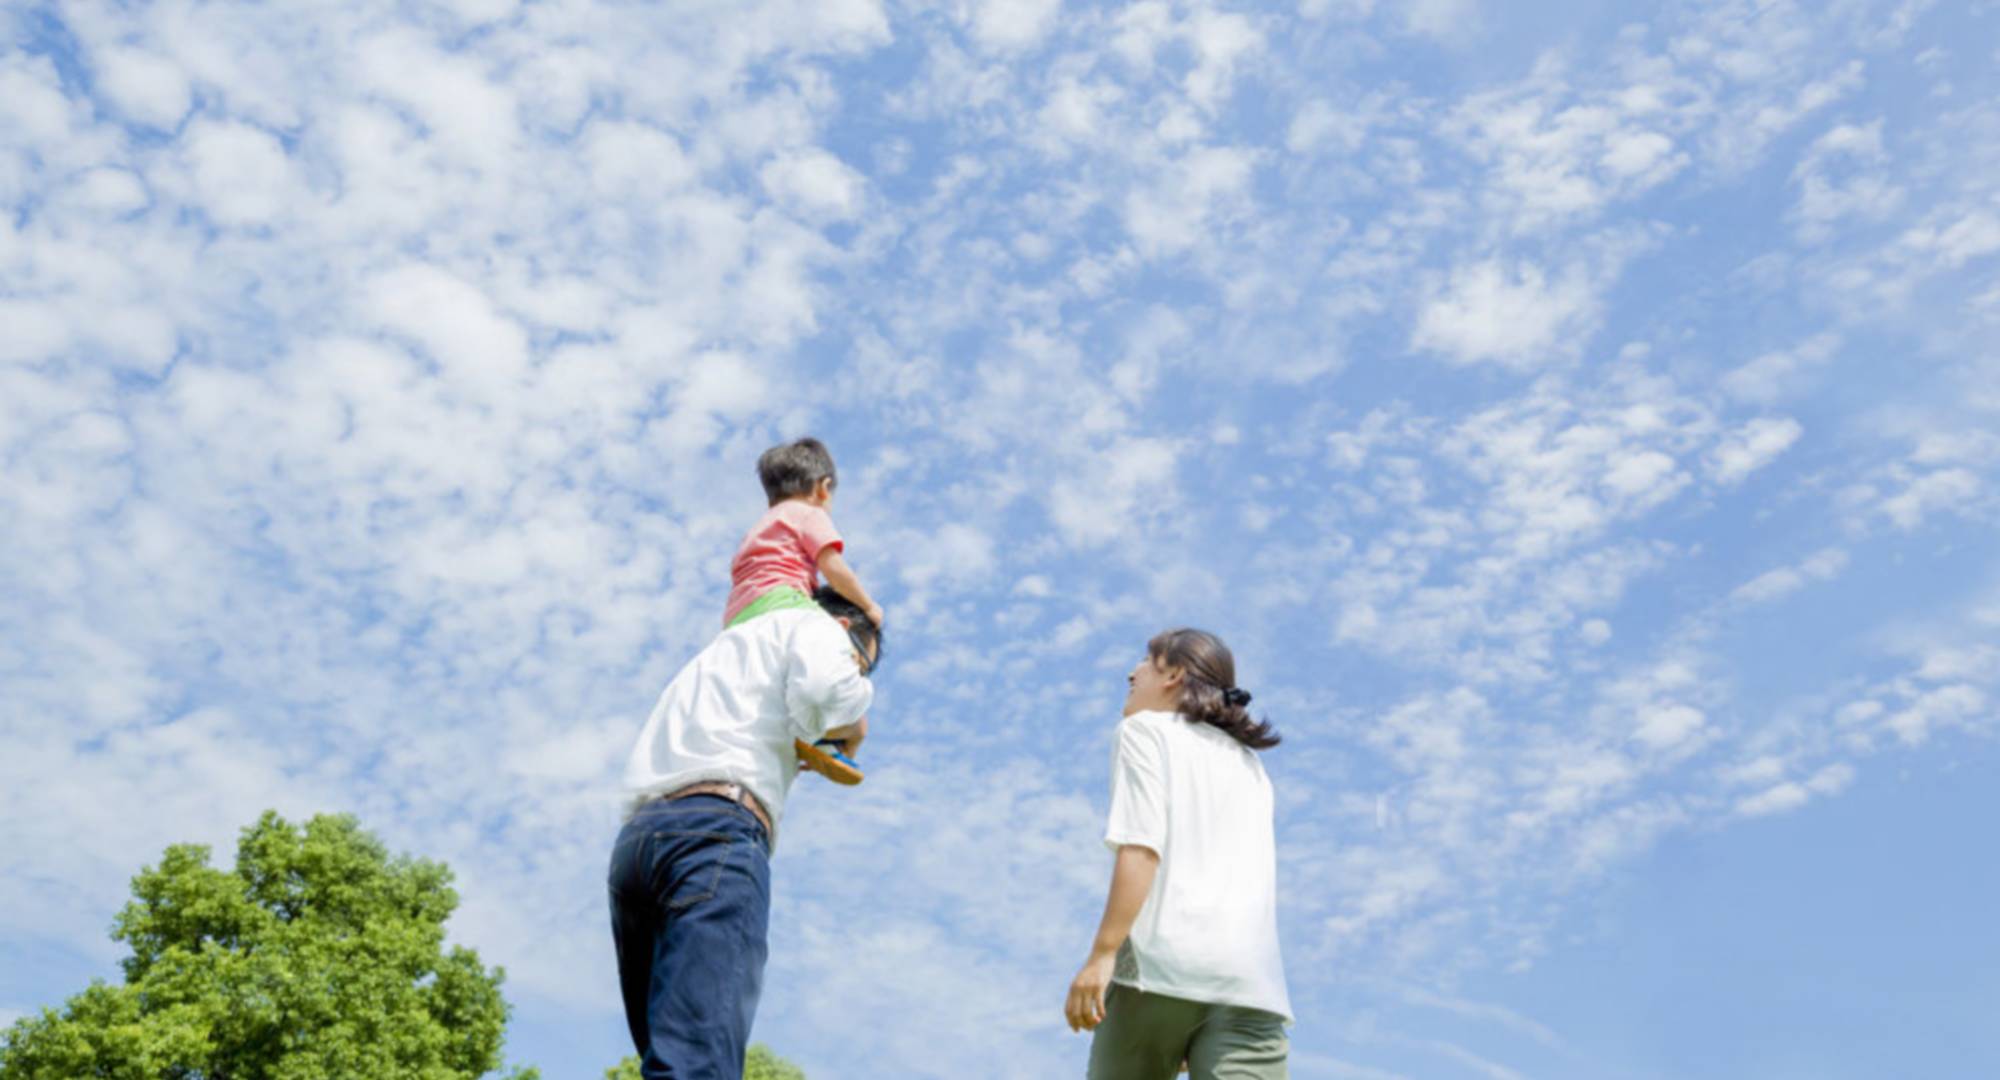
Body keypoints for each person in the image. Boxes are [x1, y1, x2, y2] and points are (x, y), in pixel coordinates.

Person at [609, 586, 879, 1079]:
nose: (857, 672)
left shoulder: (723, 650)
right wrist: (856, 710)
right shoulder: (817, 627)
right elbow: (823, 690)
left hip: (637, 846)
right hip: (715, 835)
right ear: (843, 630)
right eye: (861, 662)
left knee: (668, 1056)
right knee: (696, 1063)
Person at [1065, 628, 1293, 1080]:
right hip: (1249, 986)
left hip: (1157, 975)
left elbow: (1141, 848)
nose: (1133, 672)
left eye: (1146, 662)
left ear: (1174, 674)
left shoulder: (1144, 732)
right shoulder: (1253, 767)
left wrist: (1102, 955)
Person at [724, 436, 883, 783]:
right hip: (785, 603)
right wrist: (868, 606)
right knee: (834, 657)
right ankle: (833, 739)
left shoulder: (759, 528)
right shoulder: (807, 513)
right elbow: (832, 566)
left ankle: (816, 732)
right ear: (823, 488)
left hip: (738, 620)